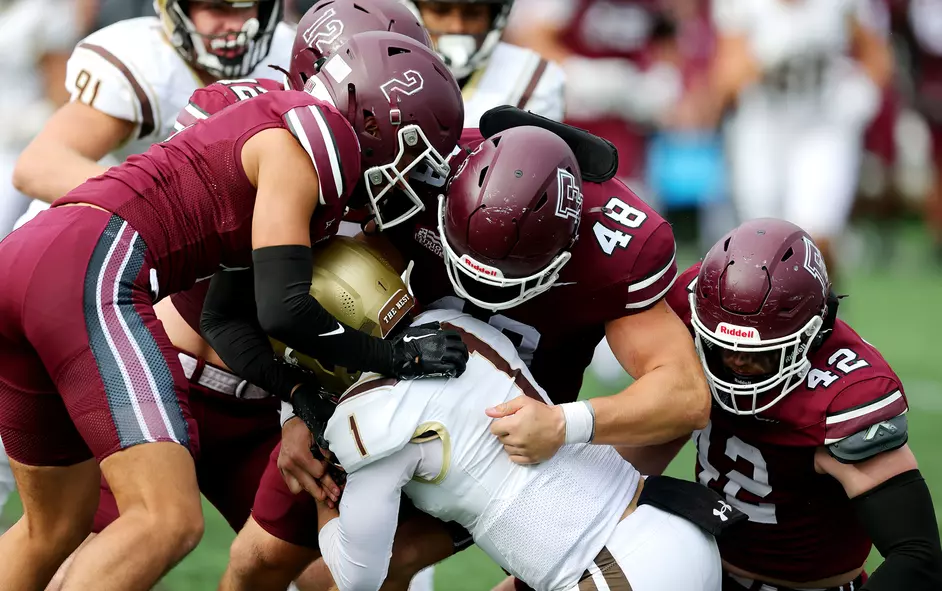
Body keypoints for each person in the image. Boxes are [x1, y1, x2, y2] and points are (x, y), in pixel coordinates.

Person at [0, 31, 467, 591]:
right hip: (95, 264)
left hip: (31, 257)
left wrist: (297, 393)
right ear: (372, 121)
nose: (410, 174)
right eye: (412, 152)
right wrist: (395, 356)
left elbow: (222, 316)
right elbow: (285, 310)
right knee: (165, 521)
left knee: (52, 528)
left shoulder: (277, 128)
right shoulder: (316, 142)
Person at [270, 117, 709, 589]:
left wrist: (564, 424)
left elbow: (684, 396)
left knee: (364, 569)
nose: (476, 287)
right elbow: (340, 293)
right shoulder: (429, 175)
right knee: (269, 555)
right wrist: (296, 408)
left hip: (522, 443)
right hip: (410, 385)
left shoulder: (612, 247)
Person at [313, 292, 726, 591]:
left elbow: (358, 577)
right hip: (675, 525)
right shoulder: (451, 324)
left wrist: (323, 499)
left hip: (618, 568)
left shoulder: (369, 421)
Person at [640, 218, 942, 591]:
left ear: (811, 333)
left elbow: (916, 553)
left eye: (758, 354)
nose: (737, 362)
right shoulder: (698, 305)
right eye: (723, 348)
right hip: (702, 566)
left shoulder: (845, 395)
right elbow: (654, 428)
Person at [11, 0, 294, 218]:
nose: (236, 26)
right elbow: (38, 167)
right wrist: (170, 203)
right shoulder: (145, 61)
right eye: (215, 7)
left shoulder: (289, 50)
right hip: (101, 235)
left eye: (248, 7)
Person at [709, 0, 893, 274]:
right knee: (763, 241)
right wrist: (765, 57)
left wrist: (863, 91)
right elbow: (726, 80)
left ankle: (824, 309)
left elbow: (877, 55)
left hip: (823, 122)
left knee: (815, 237)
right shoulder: (743, 6)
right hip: (763, 128)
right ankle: (772, 313)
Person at [403, 0, 566, 125]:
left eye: (473, 13)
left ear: (494, 15)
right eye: (440, 11)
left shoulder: (532, 77)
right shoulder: (385, 68)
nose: (457, 27)